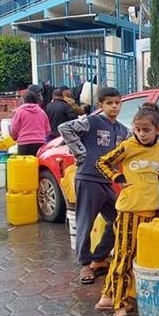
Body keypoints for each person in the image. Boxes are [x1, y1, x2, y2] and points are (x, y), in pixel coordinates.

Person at [94, 103, 159, 316]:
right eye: (137, 129)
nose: (141, 134)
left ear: (158, 130)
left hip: (150, 212)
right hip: (129, 211)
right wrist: (118, 176)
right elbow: (102, 162)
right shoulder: (127, 146)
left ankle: (106, 296)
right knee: (123, 258)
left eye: (146, 130)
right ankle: (119, 309)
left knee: (132, 258)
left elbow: (156, 174)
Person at [59, 87, 129, 285]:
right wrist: (81, 153)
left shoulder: (122, 130)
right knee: (85, 222)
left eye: (117, 102)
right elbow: (65, 128)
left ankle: (99, 258)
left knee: (119, 219)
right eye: (109, 103)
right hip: (88, 178)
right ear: (101, 106)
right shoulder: (91, 121)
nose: (114, 106)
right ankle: (85, 265)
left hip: (108, 181)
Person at [10, 92, 50, 156]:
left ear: (23, 100)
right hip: (40, 143)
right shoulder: (42, 112)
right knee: (37, 164)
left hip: (24, 143)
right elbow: (47, 129)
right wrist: (41, 137)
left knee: (25, 165)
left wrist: (14, 137)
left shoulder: (19, 112)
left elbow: (14, 128)